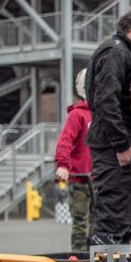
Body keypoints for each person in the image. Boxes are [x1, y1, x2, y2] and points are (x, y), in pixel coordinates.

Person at [85, 6, 131, 246]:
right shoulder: (116, 53)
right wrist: (121, 145)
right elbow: (106, 101)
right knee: (112, 218)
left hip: (119, 145)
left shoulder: (122, 53)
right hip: (112, 148)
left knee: (124, 217)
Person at [54, 68, 92, 252]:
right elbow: (65, 141)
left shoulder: (105, 113)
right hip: (80, 180)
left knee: (100, 226)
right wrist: (63, 165)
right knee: (80, 224)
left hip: (100, 180)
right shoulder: (78, 115)